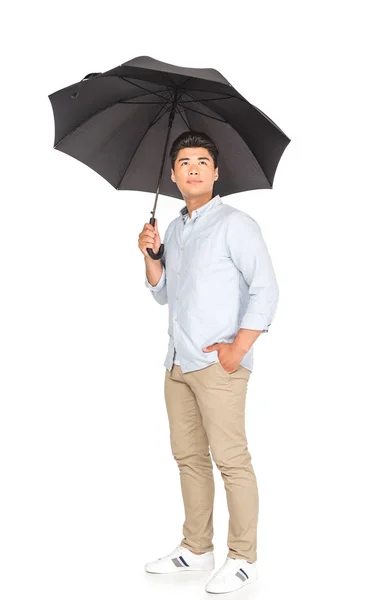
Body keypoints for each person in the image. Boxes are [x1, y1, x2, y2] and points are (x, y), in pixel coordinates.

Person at [138, 131, 279, 594]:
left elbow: (266, 290)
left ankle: (243, 558)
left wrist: (238, 349)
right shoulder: (176, 228)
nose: (193, 167)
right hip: (177, 362)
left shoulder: (237, 225)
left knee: (231, 460)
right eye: (184, 161)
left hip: (218, 363)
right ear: (174, 174)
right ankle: (197, 548)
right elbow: (164, 294)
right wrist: (150, 256)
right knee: (188, 459)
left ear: (216, 173)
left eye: (202, 160)